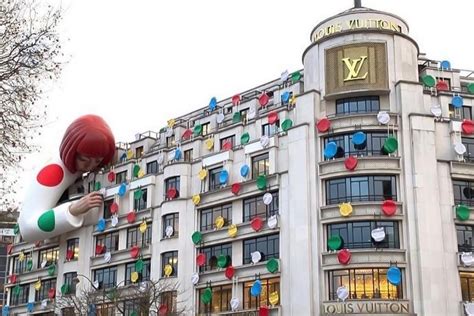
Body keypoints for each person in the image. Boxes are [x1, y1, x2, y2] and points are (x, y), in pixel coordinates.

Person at [18, 115, 115, 242]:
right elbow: (27, 228)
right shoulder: (54, 172)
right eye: (84, 159)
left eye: (97, 161)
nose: (90, 166)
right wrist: (72, 210)